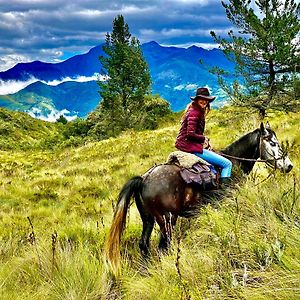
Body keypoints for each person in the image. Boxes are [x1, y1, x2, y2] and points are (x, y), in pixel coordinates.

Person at [175, 87, 232, 186]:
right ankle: (225, 191)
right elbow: (190, 134)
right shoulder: (195, 113)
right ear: (197, 100)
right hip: (190, 147)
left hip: (186, 145)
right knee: (227, 164)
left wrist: (203, 140)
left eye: (206, 100)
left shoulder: (194, 110)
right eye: (202, 99)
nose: (204, 101)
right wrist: (204, 139)